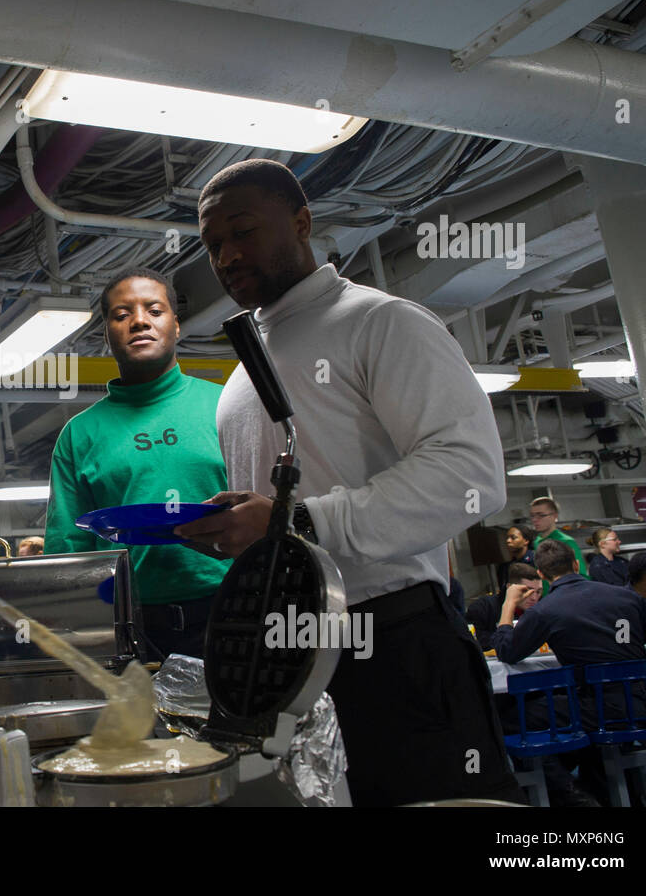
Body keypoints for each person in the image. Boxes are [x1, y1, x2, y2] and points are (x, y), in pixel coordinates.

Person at [176, 158, 522, 806]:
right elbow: (274, 516)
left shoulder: (382, 322)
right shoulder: (240, 378)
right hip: (282, 661)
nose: (227, 255)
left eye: (243, 231)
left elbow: (470, 473)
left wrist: (297, 524)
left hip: (392, 648)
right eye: (213, 244)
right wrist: (239, 535)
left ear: (303, 222)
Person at [45, 269, 232, 660]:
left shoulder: (227, 406)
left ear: (176, 326)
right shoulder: (80, 435)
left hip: (231, 612)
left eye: (154, 309)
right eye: (121, 314)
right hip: (129, 626)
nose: (140, 321)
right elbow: (67, 547)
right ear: (107, 334)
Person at [492, 539, 646, 805]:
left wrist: (508, 606)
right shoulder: (625, 596)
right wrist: (644, 665)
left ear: (541, 575)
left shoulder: (545, 611)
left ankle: (567, 792)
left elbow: (507, 651)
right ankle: (599, 788)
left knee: (508, 712)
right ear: (576, 564)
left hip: (597, 709)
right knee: (580, 715)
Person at [467, 563, 541, 651]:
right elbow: (476, 640)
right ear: (510, 588)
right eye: (527, 591)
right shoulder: (483, 608)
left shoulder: (543, 608)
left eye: (538, 592)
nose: (534, 598)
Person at [528, 496, 588, 575]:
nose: (534, 520)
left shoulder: (566, 542)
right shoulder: (537, 541)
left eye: (541, 515)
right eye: (532, 516)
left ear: (554, 516)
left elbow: (581, 574)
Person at [496, 524, 535, 593]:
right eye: (507, 538)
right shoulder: (505, 567)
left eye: (513, 537)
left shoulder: (537, 560)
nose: (508, 541)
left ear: (526, 541)